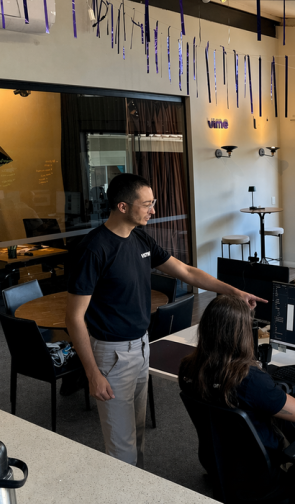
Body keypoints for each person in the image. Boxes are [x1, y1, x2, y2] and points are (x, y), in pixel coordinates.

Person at [66, 173, 265, 467]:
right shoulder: (94, 249)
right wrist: (92, 373)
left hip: (141, 345)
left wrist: (234, 292)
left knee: (137, 434)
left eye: (153, 202)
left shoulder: (140, 238)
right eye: (147, 204)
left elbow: (187, 271)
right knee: (121, 448)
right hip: (112, 354)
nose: (153, 210)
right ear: (122, 207)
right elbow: (73, 318)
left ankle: (137, 484)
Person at [180, 295, 295, 474]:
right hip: (261, 472)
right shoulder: (250, 380)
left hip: (215, 460)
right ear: (242, 335)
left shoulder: (187, 367)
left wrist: (241, 313)